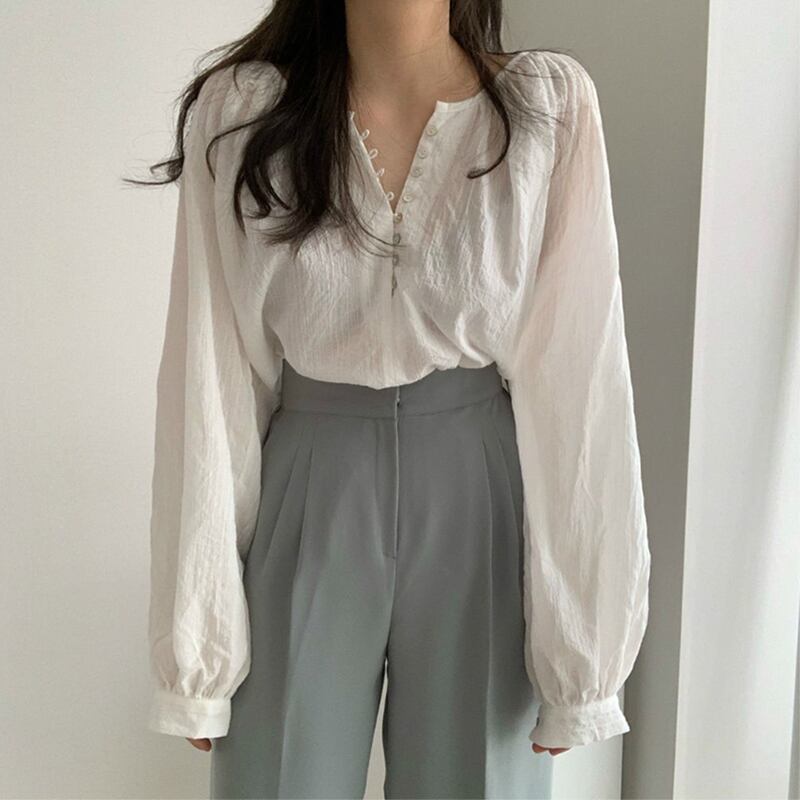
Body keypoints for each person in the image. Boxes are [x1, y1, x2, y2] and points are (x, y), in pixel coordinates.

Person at [137, 1, 651, 797]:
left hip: (477, 489)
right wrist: (195, 650)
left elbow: (578, 377)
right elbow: (211, 371)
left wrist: (581, 655)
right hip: (310, 484)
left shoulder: (545, 110)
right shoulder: (244, 114)